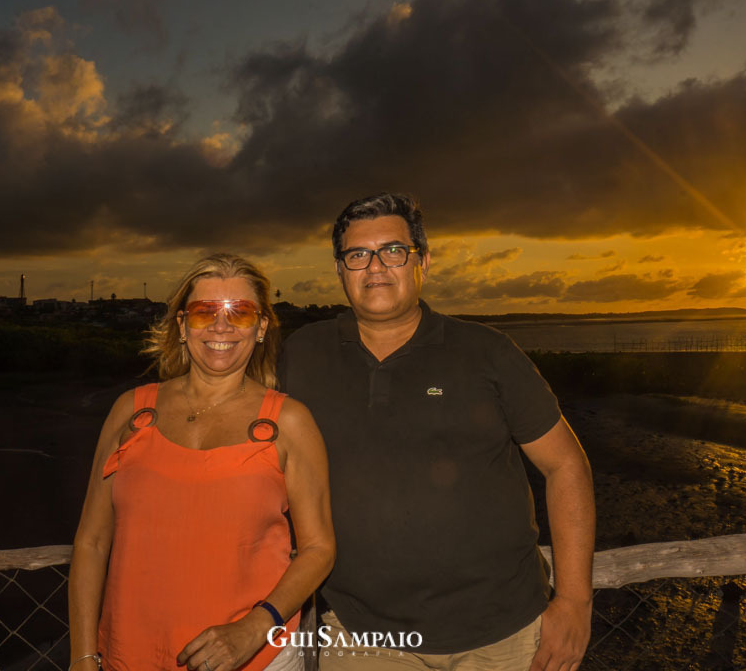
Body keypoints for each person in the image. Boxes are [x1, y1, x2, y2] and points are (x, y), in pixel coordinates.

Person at [278, 194, 595, 671]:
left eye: (393, 250)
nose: (375, 266)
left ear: (422, 261)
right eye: (357, 254)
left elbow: (565, 464)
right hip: (363, 637)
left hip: (503, 634)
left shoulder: (488, 352)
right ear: (340, 270)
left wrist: (574, 602)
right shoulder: (302, 354)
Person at [70, 253, 335, 671]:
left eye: (240, 312)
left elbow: (319, 549)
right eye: (204, 311)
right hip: (129, 654)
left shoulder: (289, 421)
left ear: (262, 326)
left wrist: (255, 628)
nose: (221, 325)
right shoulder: (130, 412)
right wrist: (83, 656)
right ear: (181, 325)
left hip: (255, 659)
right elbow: (91, 542)